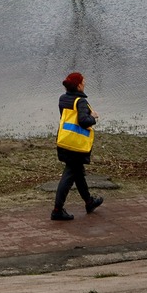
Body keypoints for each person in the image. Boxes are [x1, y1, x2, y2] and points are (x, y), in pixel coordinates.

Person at [52, 71, 103, 221]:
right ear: (79, 85)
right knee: (68, 177)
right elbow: (83, 121)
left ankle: (89, 202)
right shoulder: (80, 102)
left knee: (78, 173)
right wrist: (92, 117)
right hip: (76, 145)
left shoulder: (62, 99)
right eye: (83, 82)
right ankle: (57, 210)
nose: (85, 84)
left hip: (64, 141)